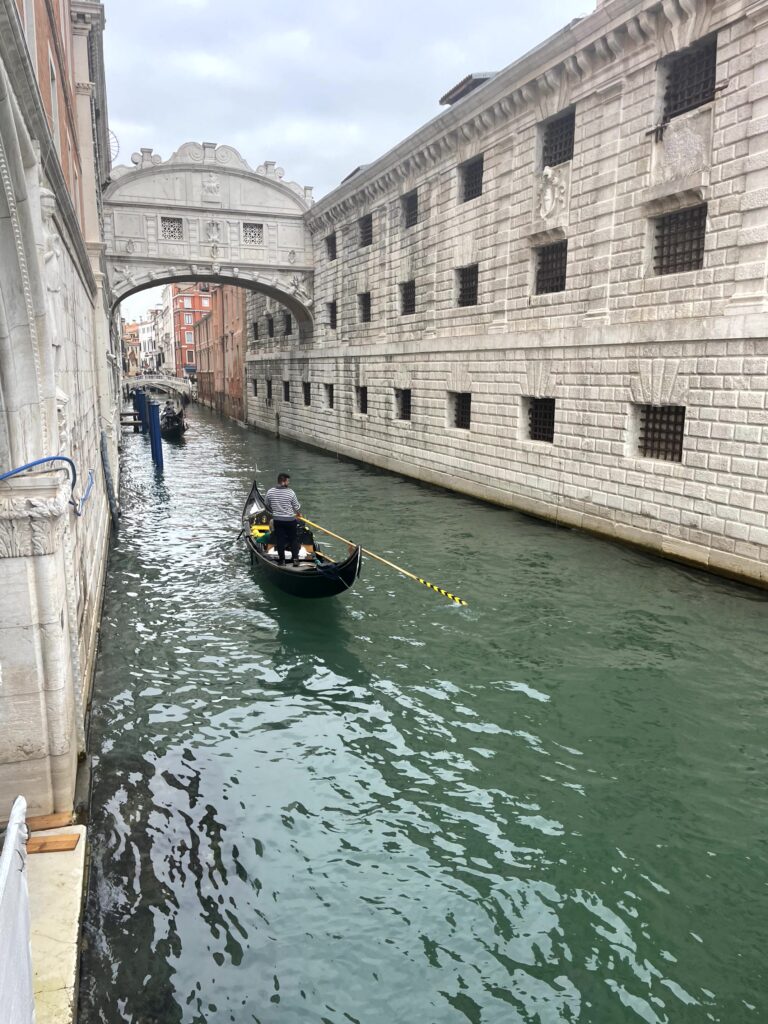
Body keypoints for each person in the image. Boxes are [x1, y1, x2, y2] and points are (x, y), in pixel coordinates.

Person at [264, 473, 301, 566]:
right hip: (290, 520)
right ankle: (295, 560)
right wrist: (298, 513)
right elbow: (296, 506)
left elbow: (266, 504)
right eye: (288, 481)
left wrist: (274, 511)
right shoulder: (290, 492)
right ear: (283, 481)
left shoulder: (270, 492)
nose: (289, 483)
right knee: (293, 539)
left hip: (278, 520)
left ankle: (282, 561)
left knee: (280, 540)